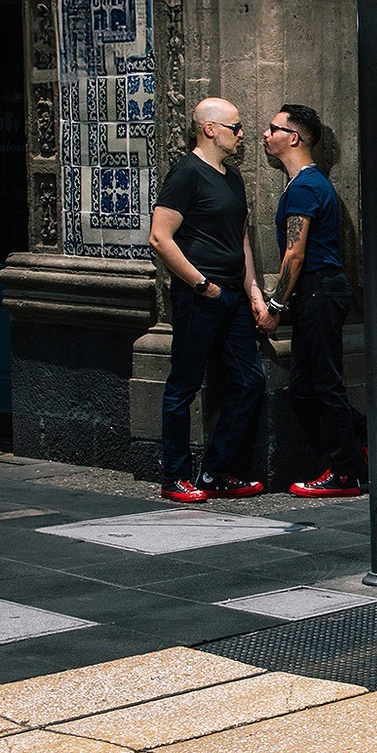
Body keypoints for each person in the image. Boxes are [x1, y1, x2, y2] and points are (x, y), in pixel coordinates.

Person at [260, 105, 377, 496]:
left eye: (273, 128)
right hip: (318, 291)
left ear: (294, 138)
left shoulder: (305, 186)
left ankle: (345, 473)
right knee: (305, 385)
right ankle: (376, 436)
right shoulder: (308, 183)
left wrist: (274, 307)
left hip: (319, 290)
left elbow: (295, 253)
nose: (265, 134)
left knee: (325, 382)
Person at [148, 98, 269, 503]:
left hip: (233, 295)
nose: (241, 135)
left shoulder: (232, 177)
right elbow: (160, 238)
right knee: (183, 384)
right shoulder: (185, 175)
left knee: (250, 379)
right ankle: (175, 476)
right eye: (235, 127)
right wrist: (202, 285)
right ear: (210, 129)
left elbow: (242, 239)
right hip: (199, 296)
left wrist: (253, 290)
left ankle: (216, 472)